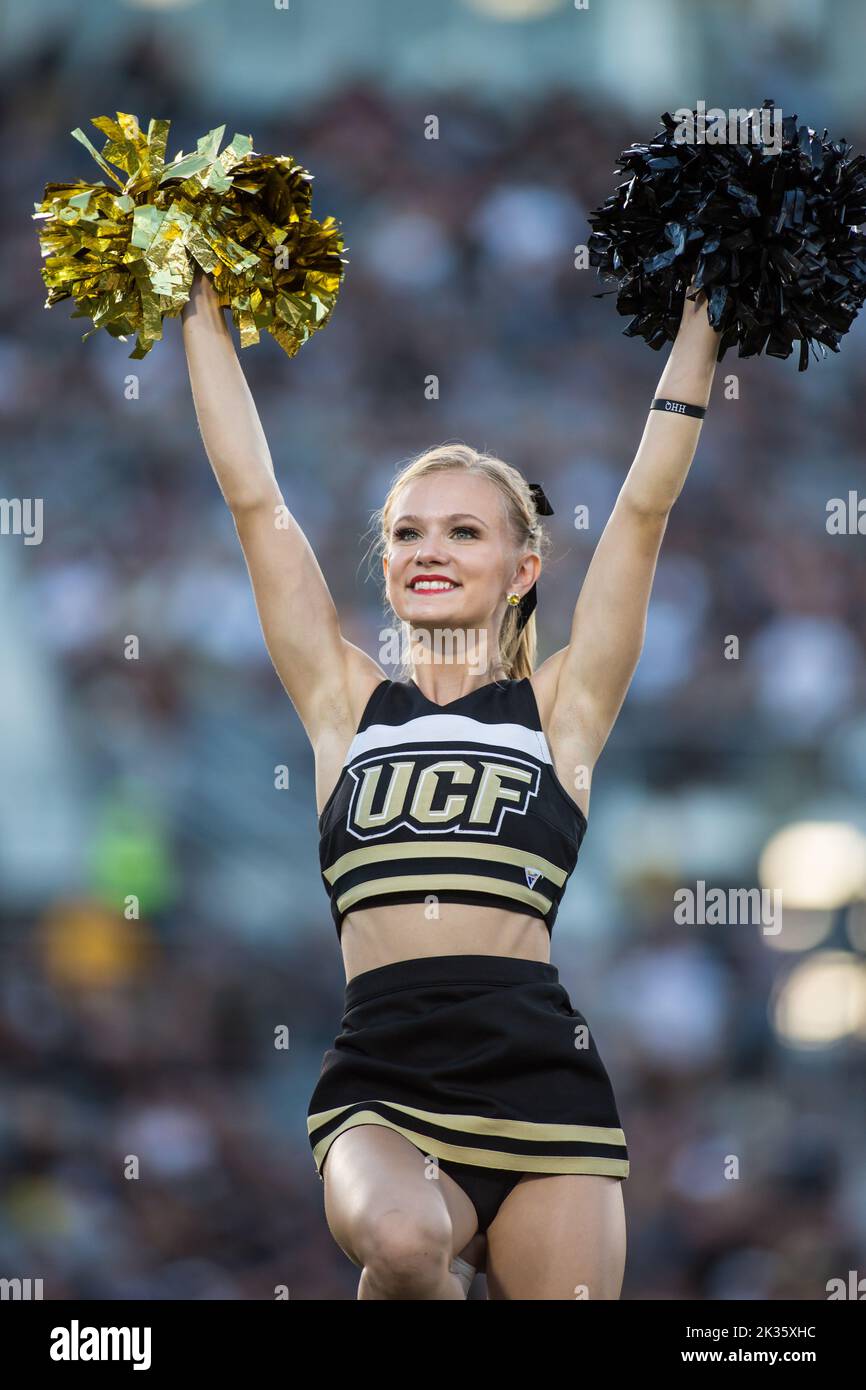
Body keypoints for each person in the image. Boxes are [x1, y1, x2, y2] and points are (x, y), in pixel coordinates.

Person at [181, 268, 721, 1299]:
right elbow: (255, 501)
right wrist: (196, 305)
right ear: (383, 566)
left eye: (464, 531)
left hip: (540, 1077)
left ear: (522, 569)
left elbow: (642, 511)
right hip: (382, 1074)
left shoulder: (558, 712)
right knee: (401, 1241)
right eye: (408, 532)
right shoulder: (344, 708)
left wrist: (700, 321)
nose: (430, 550)